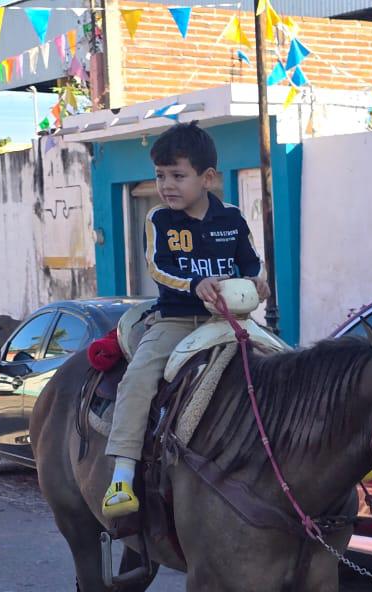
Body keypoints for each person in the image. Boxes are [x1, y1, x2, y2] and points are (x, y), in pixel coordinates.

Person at [102, 121, 270, 519]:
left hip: (232, 321)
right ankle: (123, 472)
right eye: (160, 176)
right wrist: (195, 283)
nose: (166, 185)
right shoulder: (159, 220)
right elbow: (157, 268)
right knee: (138, 379)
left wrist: (256, 282)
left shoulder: (231, 218)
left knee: (284, 368)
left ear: (207, 178)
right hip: (175, 321)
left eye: (178, 175)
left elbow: (250, 263)